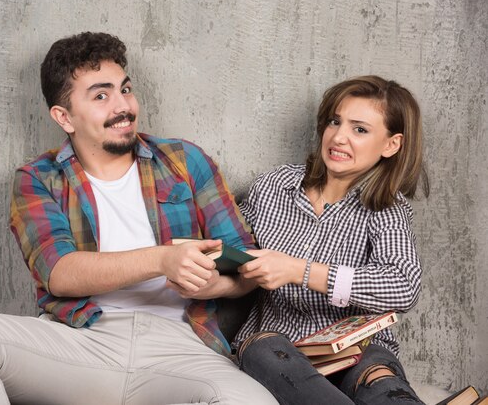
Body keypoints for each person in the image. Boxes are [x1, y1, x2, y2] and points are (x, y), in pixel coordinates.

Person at [0, 32, 277, 405]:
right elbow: (60, 273)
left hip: (180, 347)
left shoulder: (186, 161)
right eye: (101, 96)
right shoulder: (38, 179)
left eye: (125, 89)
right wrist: (161, 259)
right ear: (64, 117)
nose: (122, 106)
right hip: (79, 341)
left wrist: (212, 288)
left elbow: (247, 266)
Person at [173, 76, 429, 404]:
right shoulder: (274, 187)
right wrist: (208, 271)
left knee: (380, 381)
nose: (339, 137)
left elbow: (403, 286)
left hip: (356, 351)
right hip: (274, 348)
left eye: (359, 129)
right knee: (265, 348)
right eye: (335, 122)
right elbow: (232, 248)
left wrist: (300, 271)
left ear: (391, 145)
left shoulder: (386, 209)